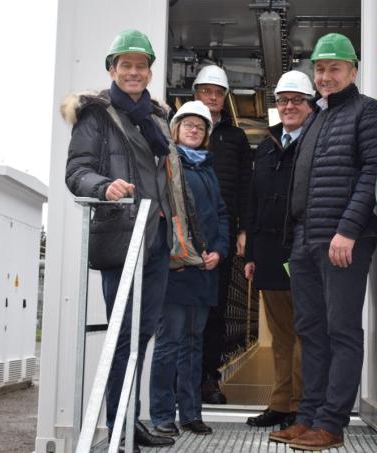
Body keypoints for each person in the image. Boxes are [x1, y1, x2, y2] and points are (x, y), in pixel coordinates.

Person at [268, 33, 377, 451]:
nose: (325, 76)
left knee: (340, 330)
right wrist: (294, 239)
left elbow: (371, 174)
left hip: (343, 239)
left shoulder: (369, 114)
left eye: (334, 68)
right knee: (311, 330)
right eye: (319, 69)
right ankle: (308, 418)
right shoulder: (316, 118)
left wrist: (349, 230)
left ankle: (332, 423)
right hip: (306, 240)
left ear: (353, 71)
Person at [62, 29, 178, 452]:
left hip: (157, 238)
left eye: (140, 65)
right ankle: (118, 426)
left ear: (149, 72)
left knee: (144, 332)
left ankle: (130, 417)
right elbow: (76, 171)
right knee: (122, 335)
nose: (133, 71)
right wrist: (104, 185)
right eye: (125, 65)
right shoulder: (96, 115)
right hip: (122, 237)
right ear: (112, 69)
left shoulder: (158, 118)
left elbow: (170, 181)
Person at [149, 100, 229, 438]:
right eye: (188, 125)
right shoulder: (166, 165)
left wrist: (221, 252)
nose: (194, 130)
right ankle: (163, 415)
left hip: (204, 271)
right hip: (176, 271)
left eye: (200, 126)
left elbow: (222, 216)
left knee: (194, 345)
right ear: (175, 130)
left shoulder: (207, 169)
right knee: (169, 344)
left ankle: (191, 413)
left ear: (207, 134)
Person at [243, 71, 314, 429]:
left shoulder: (317, 139)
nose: (289, 106)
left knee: (305, 333)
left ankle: (303, 408)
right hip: (270, 254)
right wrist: (252, 253)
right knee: (282, 337)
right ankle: (281, 404)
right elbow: (254, 201)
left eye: (296, 100)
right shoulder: (268, 145)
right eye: (283, 100)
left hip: (303, 252)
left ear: (310, 104)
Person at [191, 65, 253, 405]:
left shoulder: (237, 138)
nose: (213, 97)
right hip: (187, 230)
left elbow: (246, 186)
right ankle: (181, 381)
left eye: (218, 93)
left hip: (222, 231)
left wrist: (242, 229)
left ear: (224, 98)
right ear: (196, 93)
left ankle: (208, 381)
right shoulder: (183, 128)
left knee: (214, 309)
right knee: (184, 309)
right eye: (206, 91)